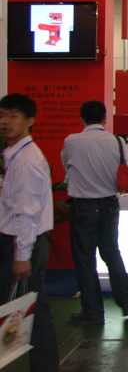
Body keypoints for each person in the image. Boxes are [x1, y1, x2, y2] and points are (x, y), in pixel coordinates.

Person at [61, 100, 128, 324]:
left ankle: (93, 312)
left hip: (83, 207)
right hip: (110, 205)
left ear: (81, 119)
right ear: (105, 118)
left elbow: (66, 166)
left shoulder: (72, 141)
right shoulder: (117, 141)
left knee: (85, 261)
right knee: (111, 253)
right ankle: (126, 301)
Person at [0, 93, 59, 371]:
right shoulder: (17, 155)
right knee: (33, 306)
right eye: (2, 115)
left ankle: (45, 365)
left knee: (31, 307)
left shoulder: (25, 160)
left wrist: (21, 254)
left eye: (13, 116)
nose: (6, 122)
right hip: (22, 242)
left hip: (22, 243)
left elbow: (27, 211)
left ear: (30, 121)